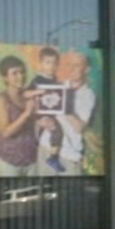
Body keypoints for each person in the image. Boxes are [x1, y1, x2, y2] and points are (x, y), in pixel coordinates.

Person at [0, 56, 38, 177]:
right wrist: (26, 113)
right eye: (15, 73)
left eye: (22, 72)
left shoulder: (29, 95)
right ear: (5, 77)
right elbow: (6, 132)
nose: (20, 76)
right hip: (10, 160)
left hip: (31, 159)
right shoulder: (2, 99)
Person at [55, 51, 97, 174]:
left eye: (77, 65)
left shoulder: (88, 95)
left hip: (69, 155)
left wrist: (65, 105)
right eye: (69, 65)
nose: (72, 69)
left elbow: (79, 127)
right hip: (47, 150)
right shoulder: (57, 87)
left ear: (86, 69)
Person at [30, 45, 65, 174]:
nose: (51, 66)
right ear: (41, 64)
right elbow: (26, 95)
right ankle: (50, 157)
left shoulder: (55, 80)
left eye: (54, 63)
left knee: (57, 132)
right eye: (48, 63)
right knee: (50, 131)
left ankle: (53, 157)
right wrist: (37, 92)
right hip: (40, 114)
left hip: (51, 112)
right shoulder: (37, 80)